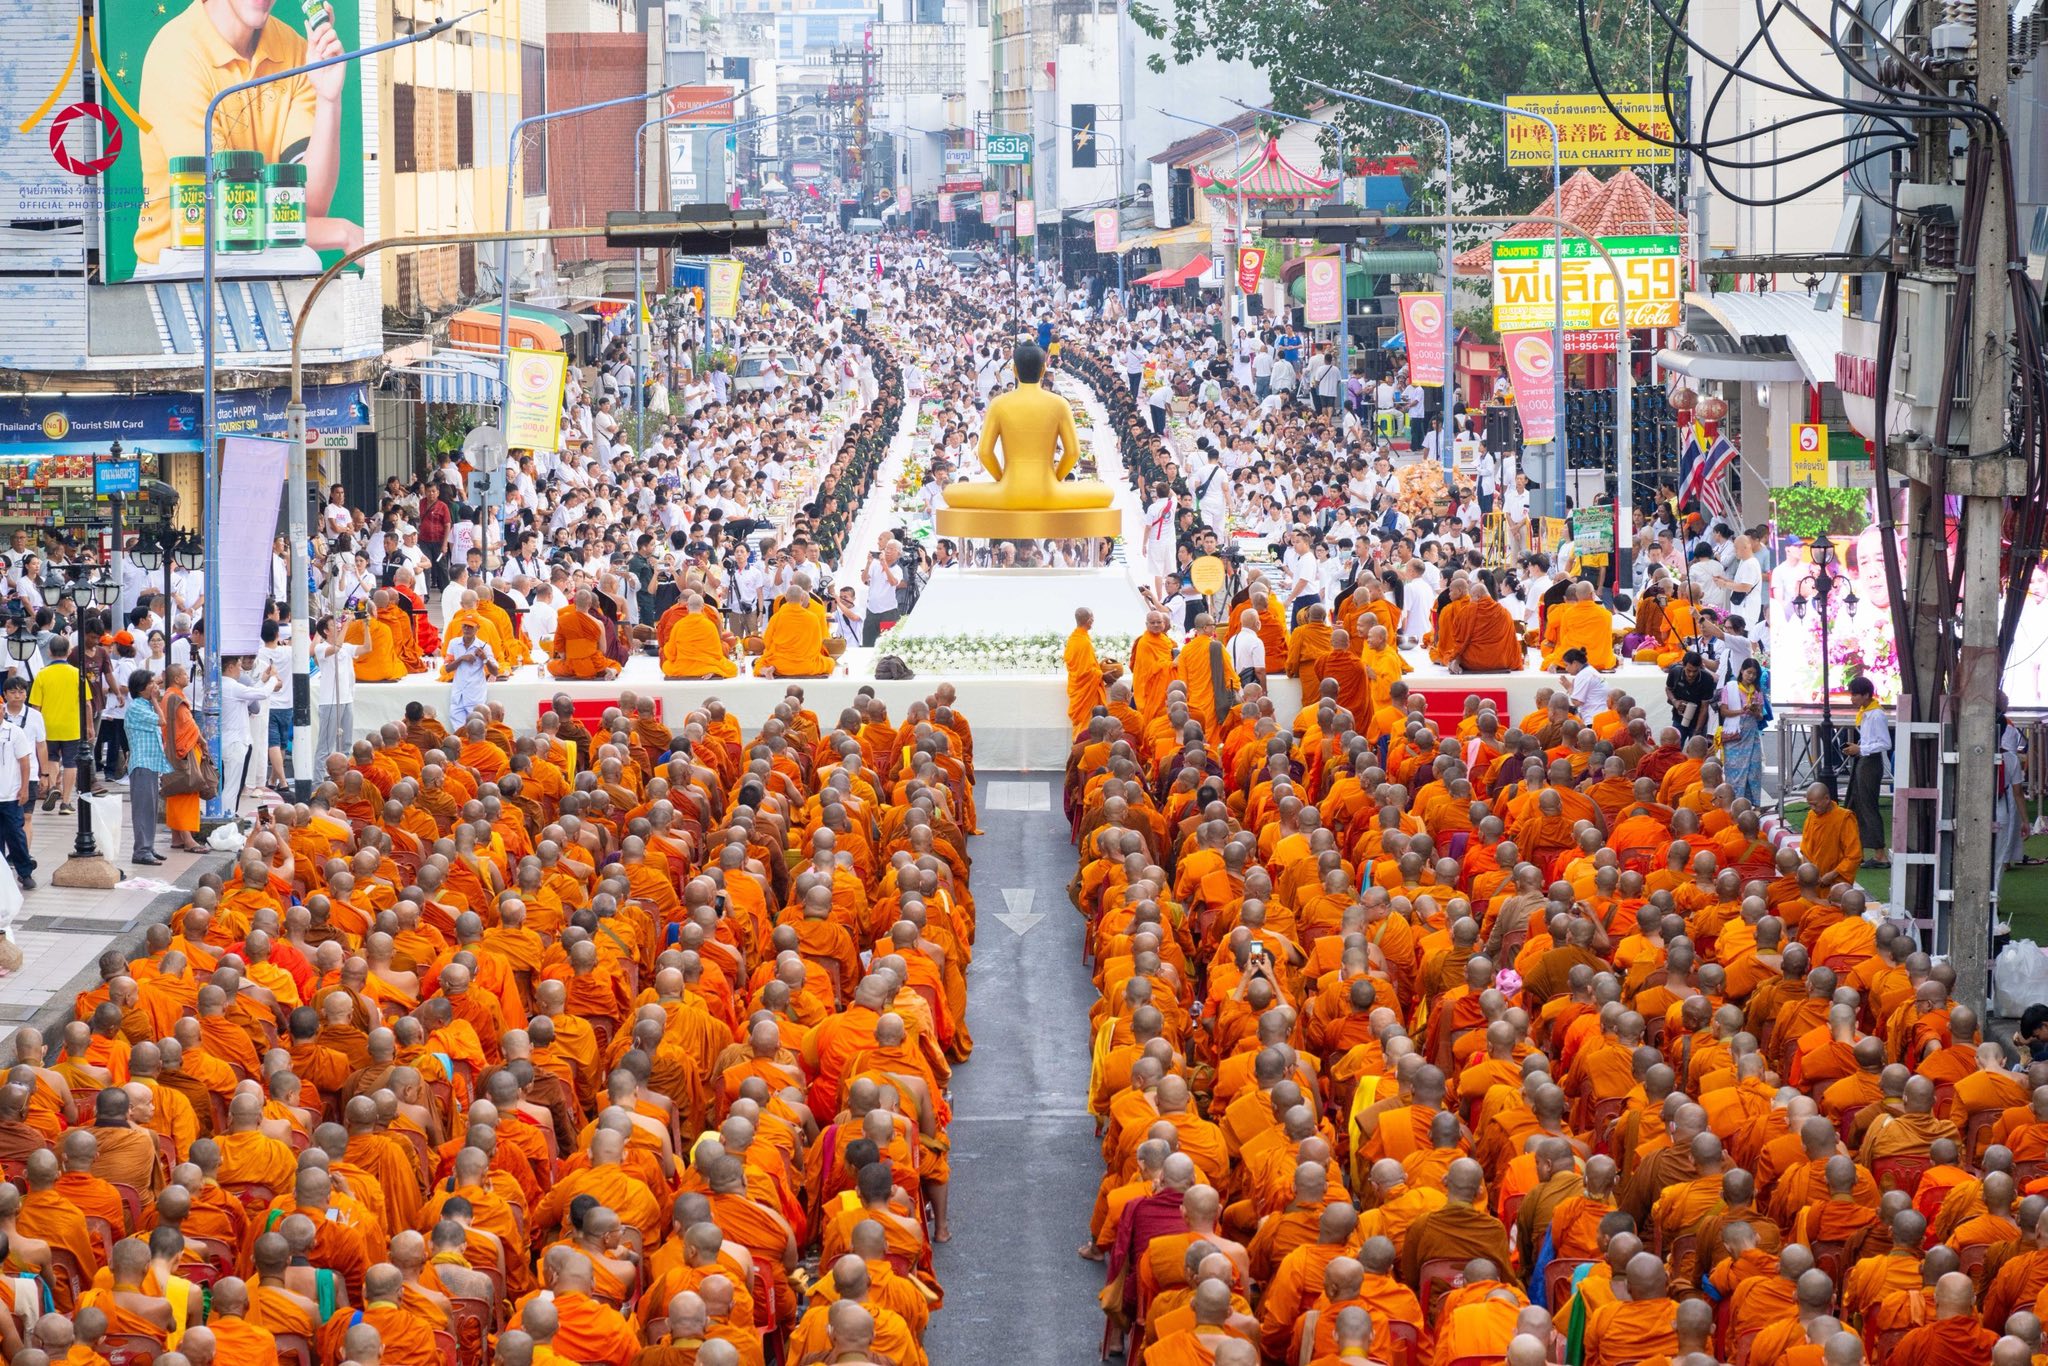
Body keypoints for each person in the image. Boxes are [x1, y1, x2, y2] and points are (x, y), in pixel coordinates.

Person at [28, 635, 88, 817]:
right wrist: (89, 726)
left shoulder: (42, 674)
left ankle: (54, 786)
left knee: (52, 758)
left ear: (49, 652)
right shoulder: (77, 673)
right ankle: (66, 801)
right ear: (69, 652)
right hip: (72, 725)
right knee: (71, 762)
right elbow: (86, 703)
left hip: (48, 725)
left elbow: (35, 706)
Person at [122, 669, 169, 866]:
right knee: (143, 809)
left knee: (150, 809)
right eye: (151, 683)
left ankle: (148, 847)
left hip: (150, 764)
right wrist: (156, 700)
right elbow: (162, 721)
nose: (155, 686)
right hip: (141, 764)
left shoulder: (145, 705)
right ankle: (141, 850)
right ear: (142, 688)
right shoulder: (137, 708)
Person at [1844, 674, 1890, 868]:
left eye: (1855, 695)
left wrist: (1860, 749)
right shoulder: (1866, 712)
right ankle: (1858, 852)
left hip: (1870, 762)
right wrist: (1858, 748)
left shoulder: (1876, 714)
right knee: (1854, 803)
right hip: (1863, 760)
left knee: (1868, 807)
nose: (1852, 699)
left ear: (1865, 695)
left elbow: (1885, 743)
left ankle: (1880, 854)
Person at [1719, 656, 1767, 806]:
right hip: (1735, 736)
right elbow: (1724, 711)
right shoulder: (1731, 687)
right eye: (1748, 673)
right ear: (1741, 671)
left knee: (1753, 771)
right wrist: (1741, 711)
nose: (1751, 677)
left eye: (1754, 674)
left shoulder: (1757, 692)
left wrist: (1754, 712)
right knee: (1735, 771)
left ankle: (1752, 804)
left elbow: (1760, 717)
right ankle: (1734, 804)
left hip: (1751, 735)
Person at [0, 692, 31, 889]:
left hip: (10, 794)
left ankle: (24, 872)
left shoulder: (14, 732)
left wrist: (25, 787)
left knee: (16, 835)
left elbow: (24, 761)